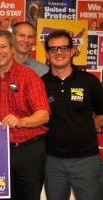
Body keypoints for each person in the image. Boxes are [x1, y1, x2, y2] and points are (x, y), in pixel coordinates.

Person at [0, 29, 50, 200]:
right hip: (0, 151)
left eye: (3, 47)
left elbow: (43, 115)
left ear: (12, 48)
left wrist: (21, 121)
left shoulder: (29, 76)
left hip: (29, 150)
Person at [42, 30, 103, 200]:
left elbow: (102, 114)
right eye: (53, 49)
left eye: (63, 48)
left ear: (71, 51)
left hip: (86, 160)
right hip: (52, 160)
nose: (59, 52)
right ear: (47, 53)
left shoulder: (89, 81)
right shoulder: (40, 84)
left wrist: (83, 130)